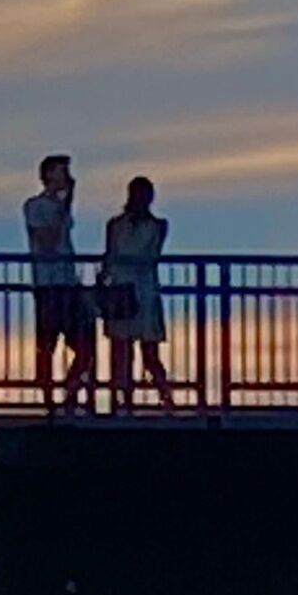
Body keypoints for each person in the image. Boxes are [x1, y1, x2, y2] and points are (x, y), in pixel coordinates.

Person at [99, 175, 176, 412]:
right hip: (123, 289)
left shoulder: (157, 225)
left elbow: (149, 257)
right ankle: (123, 400)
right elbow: (110, 256)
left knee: (148, 351)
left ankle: (164, 396)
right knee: (122, 350)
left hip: (143, 290)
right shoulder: (116, 224)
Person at [24, 154, 90, 412]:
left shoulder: (60, 206)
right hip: (48, 284)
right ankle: (48, 398)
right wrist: (63, 208)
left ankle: (70, 391)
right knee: (47, 345)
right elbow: (47, 242)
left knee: (84, 345)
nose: (67, 178)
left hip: (67, 284)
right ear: (48, 175)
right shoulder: (35, 206)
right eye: (62, 172)